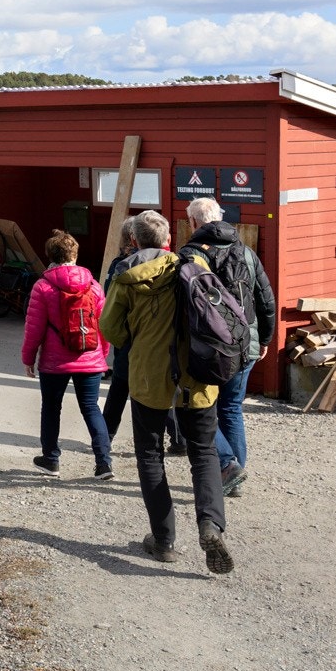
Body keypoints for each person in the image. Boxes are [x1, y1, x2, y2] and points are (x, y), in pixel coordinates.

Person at [99, 209, 234, 574]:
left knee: (149, 455)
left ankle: (164, 541)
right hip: (198, 379)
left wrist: (137, 334)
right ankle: (210, 524)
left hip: (149, 381)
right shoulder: (193, 269)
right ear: (168, 241)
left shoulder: (127, 278)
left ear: (135, 242)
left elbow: (111, 330)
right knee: (203, 453)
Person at [181, 197, 276, 498]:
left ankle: (227, 465)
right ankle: (235, 472)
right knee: (232, 408)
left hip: (209, 348)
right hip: (245, 342)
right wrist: (264, 339)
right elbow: (266, 299)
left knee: (202, 408)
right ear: (220, 218)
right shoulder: (245, 251)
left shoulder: (190, 255)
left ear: (193, 222)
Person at [21, 230, 112, 480]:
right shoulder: (93, 285)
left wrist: (28, 359)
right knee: (92, 408)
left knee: (51, 408)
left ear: (50, 255)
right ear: (75, 254)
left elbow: (34, 328)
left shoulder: (43, 286)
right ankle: (104, 464)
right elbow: (103, 326)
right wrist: (102, 356)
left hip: (54, 362)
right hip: (90, 357)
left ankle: (51, 460)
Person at [101, 217, 187, 454]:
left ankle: (104, 438)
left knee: (121, 388)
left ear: (132, 238)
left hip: (132, 339)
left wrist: (124, 339)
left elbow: (109, 314)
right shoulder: (176, 265)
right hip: (164, 341)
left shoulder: (122, 267)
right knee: (163, 389)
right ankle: (179, 438)